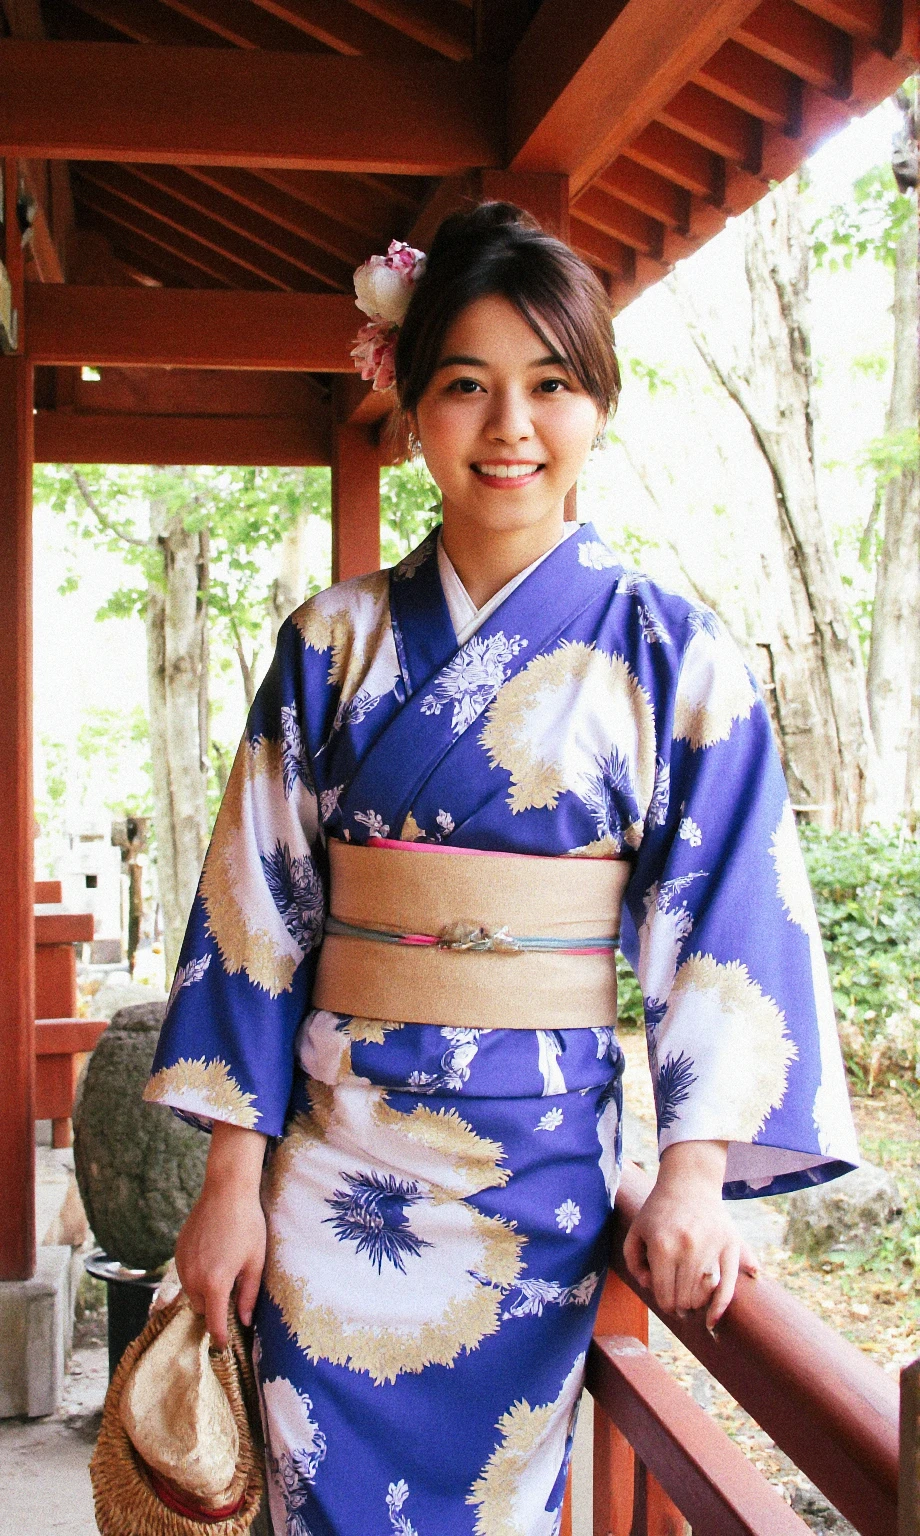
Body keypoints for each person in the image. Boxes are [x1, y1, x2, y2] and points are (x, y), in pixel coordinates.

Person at [145, 202, 859, 1536]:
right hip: (330, 1183)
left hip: (538, 1192)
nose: (510, 426)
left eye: (551, 385)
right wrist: (226, 1189)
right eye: (465, 385)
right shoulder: (331, 644)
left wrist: (695, 1175)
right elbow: (257, 920)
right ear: (409, 407)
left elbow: (727, 929)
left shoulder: (673, 655)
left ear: (598, 407)